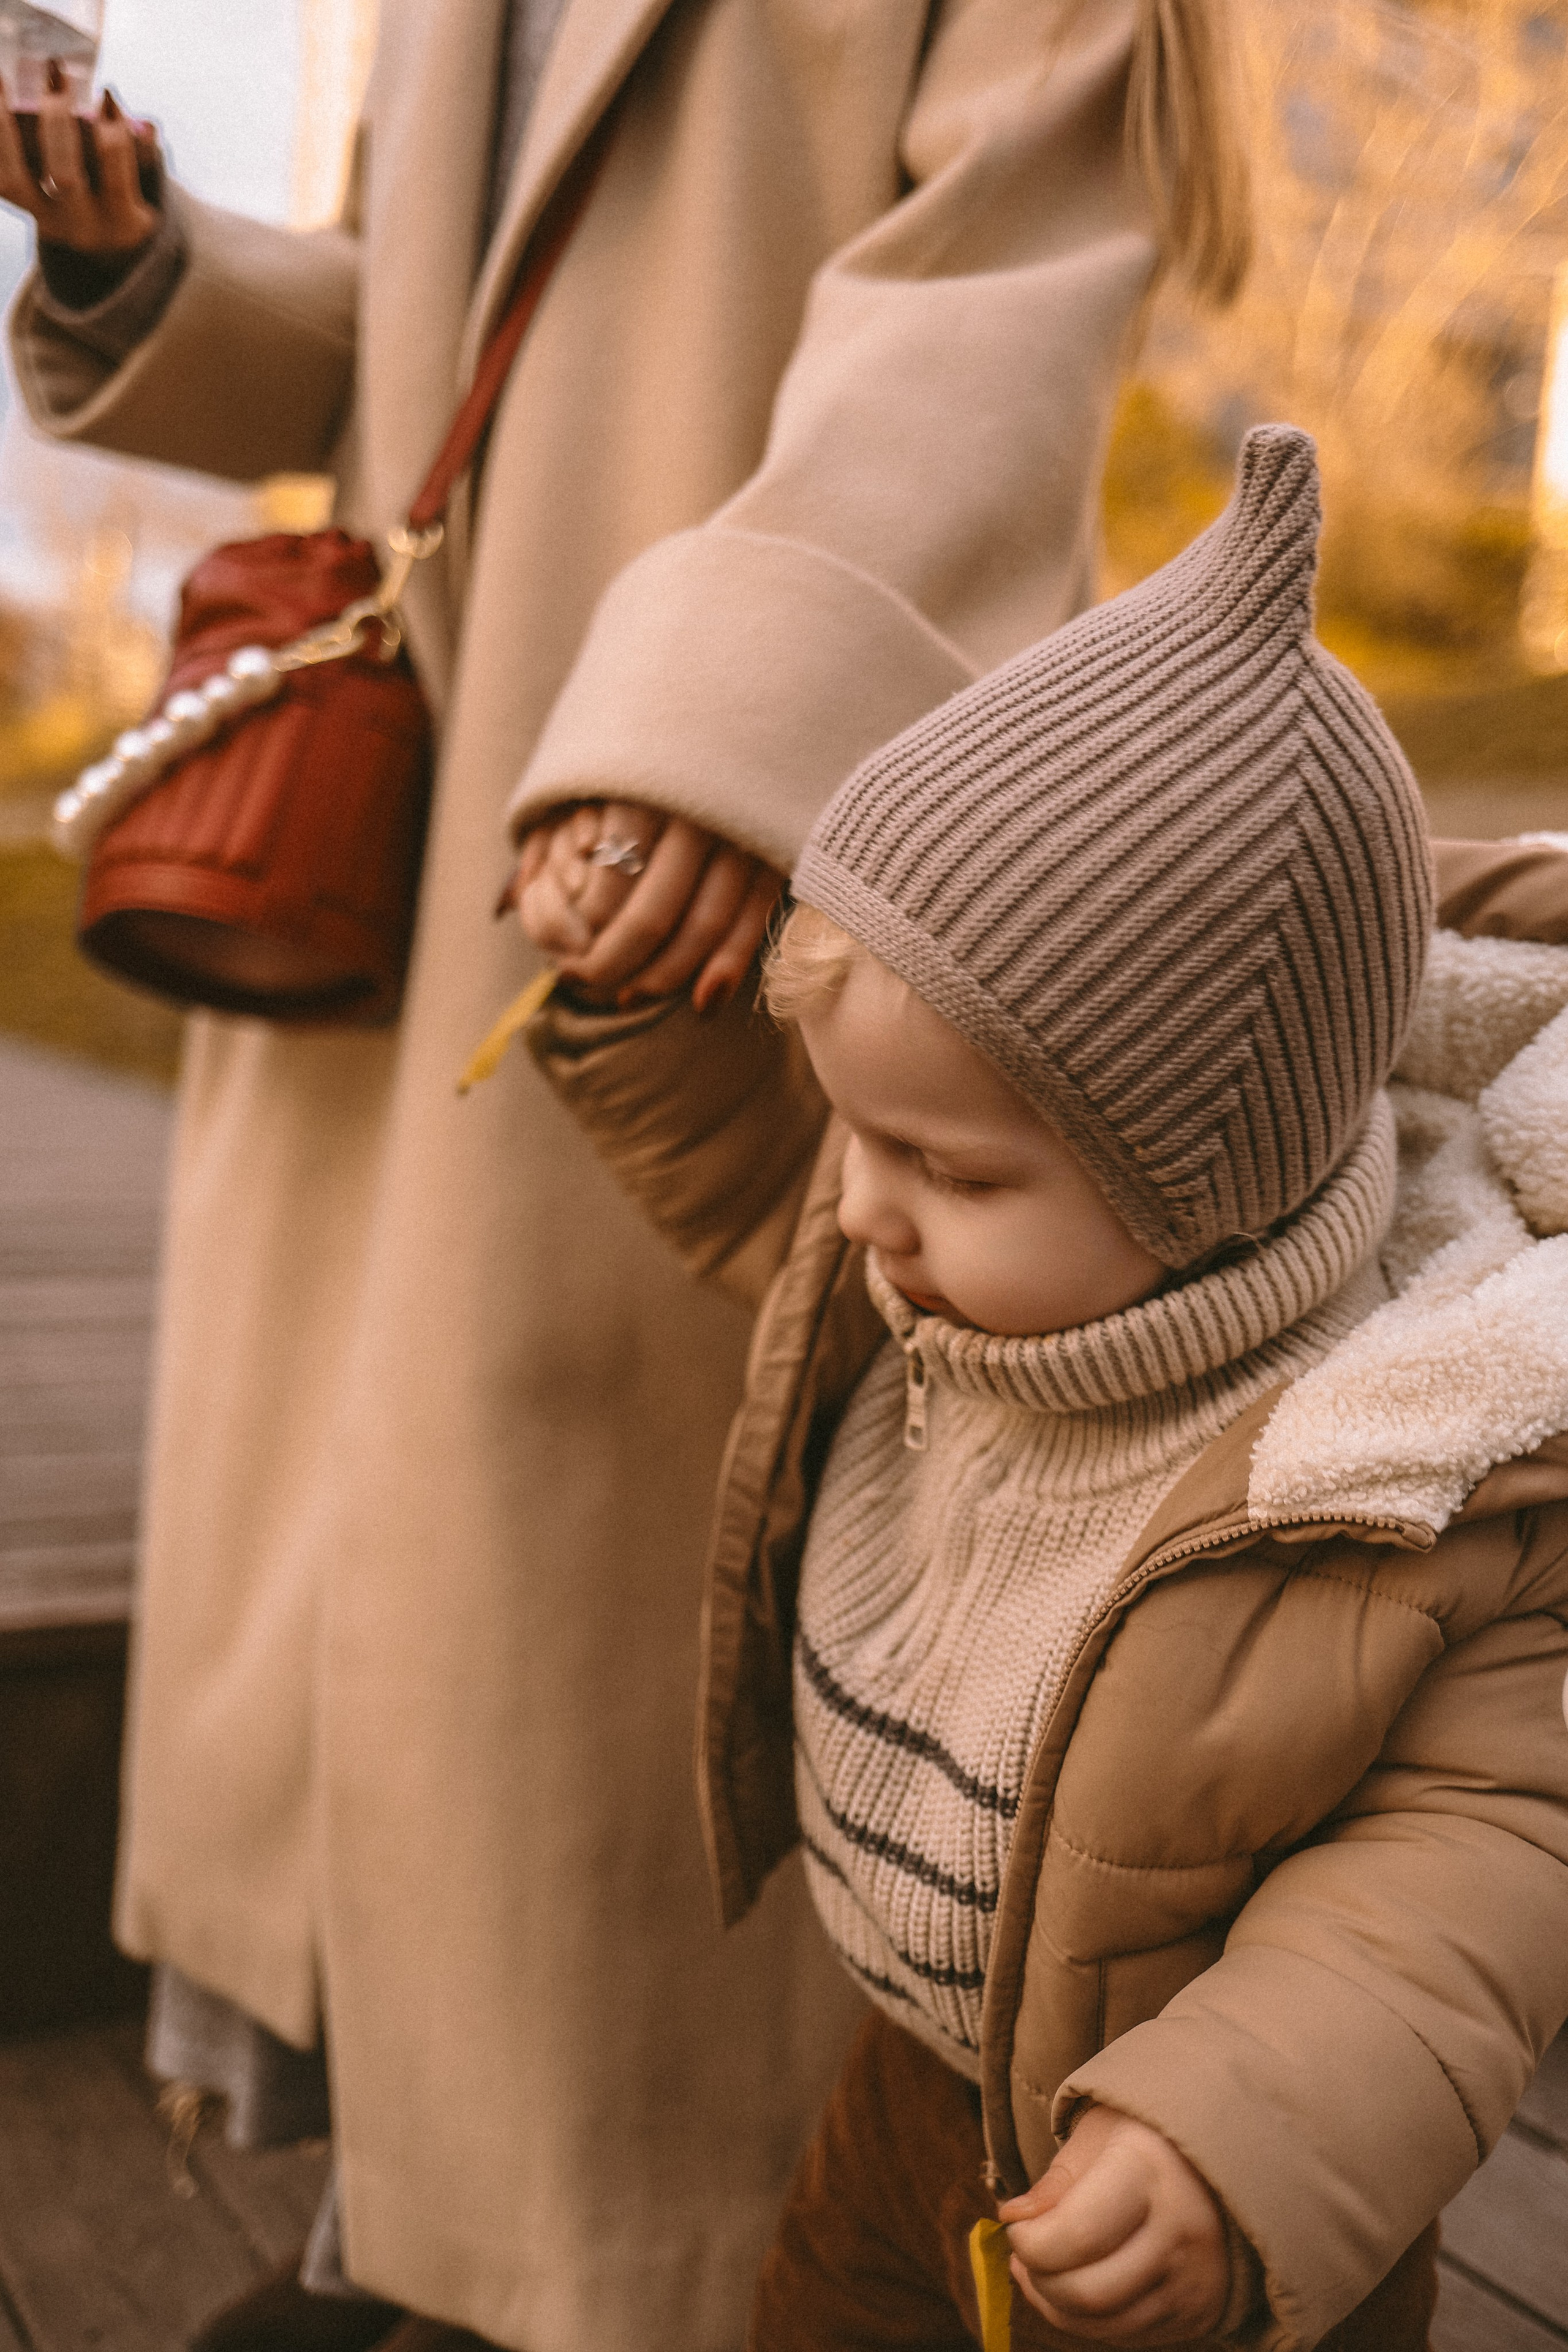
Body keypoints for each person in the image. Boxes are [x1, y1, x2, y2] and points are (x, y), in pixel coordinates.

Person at [0, 5, 1253, 2348]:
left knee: (595, 1640)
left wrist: (720, 719)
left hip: (740, 832)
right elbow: (410, 343)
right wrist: (142, 253)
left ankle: (640, 2265)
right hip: (446, 850)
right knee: (409, 1619)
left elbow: (993, 288)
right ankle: (429, 2232)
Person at [518, 426, 1568, 2349]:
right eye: (859, 1129)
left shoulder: (1418, 1455)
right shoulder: (944, 1275)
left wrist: (1231, 2142)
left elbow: (1472, 1873)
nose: (862, 1207)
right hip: (907, 2088)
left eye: (954, 1171)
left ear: (1216, 1175)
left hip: (1199, 2193)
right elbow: (776, 1185)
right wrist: (608, 1000)